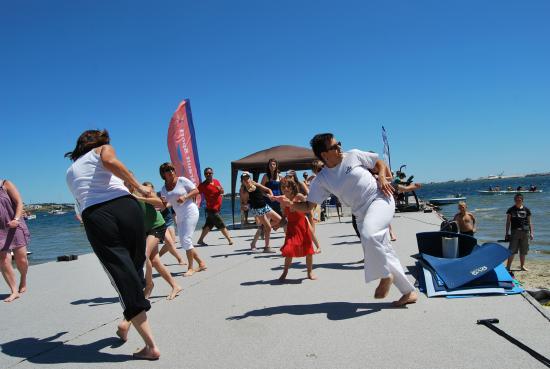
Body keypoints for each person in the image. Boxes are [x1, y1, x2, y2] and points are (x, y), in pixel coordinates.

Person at [280, 133, 417, 307]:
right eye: (335, 146)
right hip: (360, 214)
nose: (339, 147)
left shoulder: (353, 155)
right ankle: (408, 292)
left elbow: (378, 163)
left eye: (339, 144)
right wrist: (292, 205)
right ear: (324, 154)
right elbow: (308, 206)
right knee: (383, 250)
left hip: (380, 198)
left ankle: (384, 275)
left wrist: (382, 176)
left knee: (369, 233)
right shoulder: (322, 179)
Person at [65, 129, 160, 360]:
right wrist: (140, 187)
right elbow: (110, 161)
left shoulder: (70, 171)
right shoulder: (101, 149)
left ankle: (149, 345)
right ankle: (129, 318)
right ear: (99, 142)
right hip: (127, 208)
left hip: (97, 215)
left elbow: (81, 205)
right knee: (135, 264)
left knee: (122, 274)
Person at [132, 182, 182, 300]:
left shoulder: (144, 190)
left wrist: (139, 197)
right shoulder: (124, 194)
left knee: (144, 255)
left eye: (126, 181)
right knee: (154, 261)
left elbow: (160, 203)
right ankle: (175, 286)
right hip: (144, 230)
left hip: (157, 226)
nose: (124, 184)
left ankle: (149, 285)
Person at [159, 162, 207, 277]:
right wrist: (159, 208)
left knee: (186, 239)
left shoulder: (182, 180)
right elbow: (167, 204)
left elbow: (196, 190)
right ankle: (201, 263)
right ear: (163, 174)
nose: (171, 172)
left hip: (190, 211)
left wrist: (185, 197)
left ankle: (190, 268)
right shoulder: (163, 189)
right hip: (179, 215)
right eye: (167, 170)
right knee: (185, 242)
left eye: (172, 169)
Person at [276, 179, 319, 282]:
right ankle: (285, 272)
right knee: (289, 251)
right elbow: (284, 216)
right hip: (291, 228)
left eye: (288, 186)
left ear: (292, 187)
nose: (285, 189)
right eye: (283, 187)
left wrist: (312, 219)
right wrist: (278, 224)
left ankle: (309, 272)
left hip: (302, 226)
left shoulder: (298, 196)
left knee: (308, 251)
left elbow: (308, 207)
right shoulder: (283, 201)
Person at [0, 179, 30, 303]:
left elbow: (19, 202)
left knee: (21, 259)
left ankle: (23, 279)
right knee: (3, 260)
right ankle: (14, 291)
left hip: (14, 225)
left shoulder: (5, 184)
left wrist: (16, 219)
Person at [240, 172, 281, 252]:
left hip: (265, 206)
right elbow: (244, 202)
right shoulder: (243, 189)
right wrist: (245, 206)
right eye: (244, 179)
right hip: (257, 210)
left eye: (247, 178)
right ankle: (267, 247)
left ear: (250, 178)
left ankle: (255, 240)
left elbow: (267, 190)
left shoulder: (255, 184)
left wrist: (270, 196)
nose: (247, 180)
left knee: (280, 220)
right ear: (242, 181)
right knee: (268, 227)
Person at [197, 167, 233, 246]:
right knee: (221, 224)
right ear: (204, 175)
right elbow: (196, 192)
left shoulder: (216, 181)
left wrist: (221, 190)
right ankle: (229, 239)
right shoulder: (203, 185)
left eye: (210, 173)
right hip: (212, 209)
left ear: (212, 173)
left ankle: (200, 240)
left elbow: (222, 191)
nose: (208, 175)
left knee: (208, 225)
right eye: (206, 173)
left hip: (217, 208)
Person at [505, 194, 533, 272]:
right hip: (515, 232)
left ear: (522, 200)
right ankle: (508, 267)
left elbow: (530, 222)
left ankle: (522, 266)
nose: (518, 200)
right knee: (512, 250)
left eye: (519, 199)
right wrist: (506, 233)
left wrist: (531, 233)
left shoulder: (527, 210)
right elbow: (508, 222)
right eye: (516, 199)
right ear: (514, 200)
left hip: (525, 232)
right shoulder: (511, 210)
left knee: (523, 250)